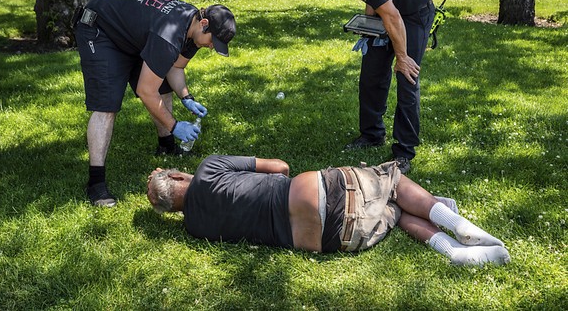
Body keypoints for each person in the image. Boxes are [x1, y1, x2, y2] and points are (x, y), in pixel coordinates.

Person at [147, 155, 510, 266]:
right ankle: (458, 224)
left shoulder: (194, 228)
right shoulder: (209, 169)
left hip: (335, 239)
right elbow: (279, 167)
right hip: (312, 194)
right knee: (393, 182)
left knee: (394, 211)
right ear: (178, 175)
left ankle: (454, 253)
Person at [74, 0, 236, 207]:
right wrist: (174, 124)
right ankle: (96, 183)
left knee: (163, 86)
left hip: (131, 35)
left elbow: (176, 66)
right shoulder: (169, 35)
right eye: (213, 40)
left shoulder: (192, 27)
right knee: (107, 105)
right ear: (204, 23)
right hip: (100, 28)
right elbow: (145, 91)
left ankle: (166, 145)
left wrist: (187, 97)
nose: (212, 46)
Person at [306, 0, 436, 173]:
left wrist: (402, 57)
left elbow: (392, 15)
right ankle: (371, 135)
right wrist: (369, 28)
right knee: (371, 73)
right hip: (390, 11)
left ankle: (404, 151)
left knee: (407, 77)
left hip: (413, 13)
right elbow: (375, 0)